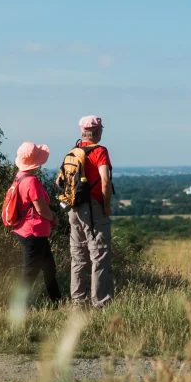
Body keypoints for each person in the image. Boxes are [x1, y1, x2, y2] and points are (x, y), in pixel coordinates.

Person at [66, 116, 114, 308]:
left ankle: (78, 302)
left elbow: (59, 182)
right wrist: (106, 205)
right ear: (98, 132)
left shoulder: (73, 151)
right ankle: (100, 303)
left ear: (82, 132)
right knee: (99, 255)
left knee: (78, 256)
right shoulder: (100, 151)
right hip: (93, 208)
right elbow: (104, 180)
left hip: (74, 207)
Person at [12, 141, 62, 305]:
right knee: (30, 273)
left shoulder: (19, 177)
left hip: (27, 230)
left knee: (48, 268)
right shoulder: (31, 181)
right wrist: (53, 218)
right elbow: (41, 209)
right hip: (34, 232)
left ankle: (57, 302)